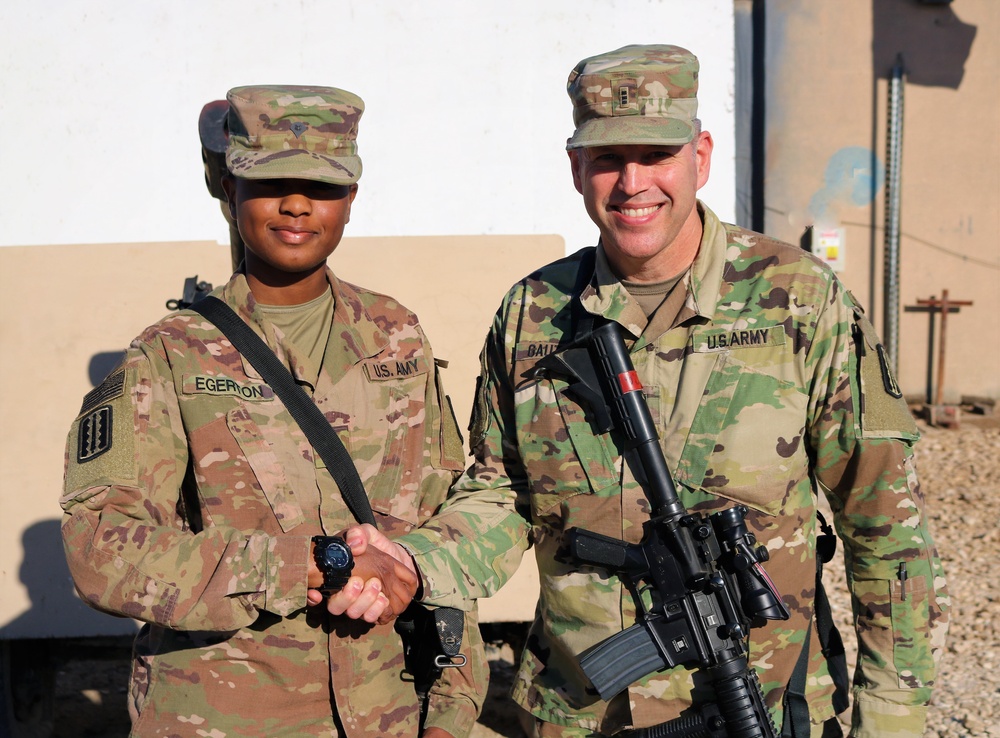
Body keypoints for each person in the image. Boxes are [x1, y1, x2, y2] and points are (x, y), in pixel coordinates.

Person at [351, 45, 949, 737]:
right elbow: (501, 496)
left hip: (757, 704)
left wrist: (894, 711)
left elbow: (885, 522)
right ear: (576, 166)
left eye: (656, 154)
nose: (633, 182)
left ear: (701, 154)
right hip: (583, 712)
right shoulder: (534, 312)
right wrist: (419, 561)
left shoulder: (798, 299)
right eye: (608, 158)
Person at [60, 84, 486, 738]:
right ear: (229, 189)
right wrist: (314, 564)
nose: (295, 204)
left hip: (392, 710)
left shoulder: (395, 337)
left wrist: (452, 709)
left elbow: (444, 527)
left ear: (351, 197)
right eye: (271, 182)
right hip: (227, 717)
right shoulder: (170, 356)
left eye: (320, 186)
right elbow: (101, 554)